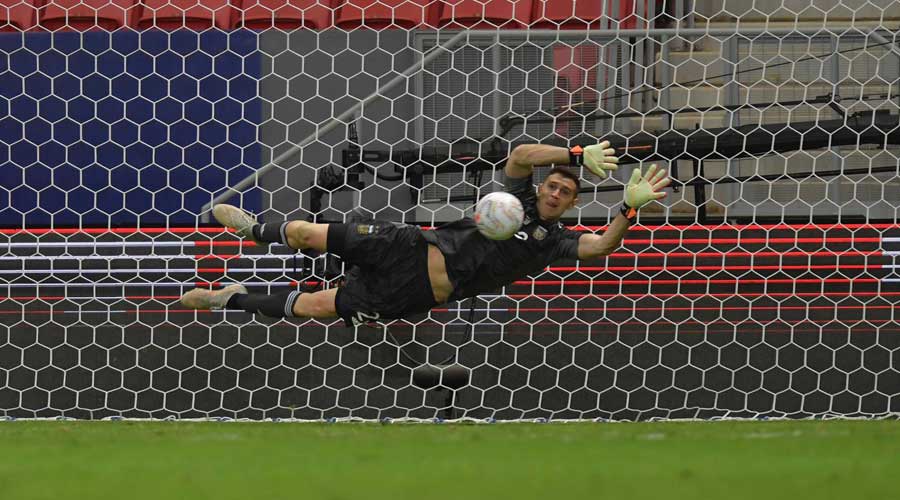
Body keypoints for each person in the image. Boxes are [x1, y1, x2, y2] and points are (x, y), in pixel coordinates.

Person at [181, 142, 671, 326]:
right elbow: (520, 155)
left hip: (415, 289)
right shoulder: (517, 199)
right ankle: (258, 230)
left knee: (316, 306)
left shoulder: (555, 242)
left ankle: (230, 300)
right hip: (411, 244)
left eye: (566, 192)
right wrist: (573, 152)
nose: (557, 192)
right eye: (555, 184)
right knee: (313, 232)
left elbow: (601, 245)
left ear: (572, 204)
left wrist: (627, 208)